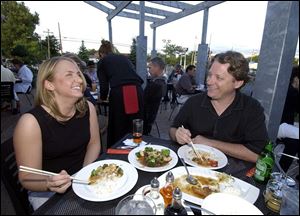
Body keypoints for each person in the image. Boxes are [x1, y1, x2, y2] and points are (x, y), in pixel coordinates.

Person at [13, 56, 101, 210]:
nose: (79, 80)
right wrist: (49, 182)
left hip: (82, 180)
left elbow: (94, 143)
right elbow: (26, 177)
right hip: (48, 193)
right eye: (69, 75)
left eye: (78, 74)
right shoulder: (30, 123)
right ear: (49, 84)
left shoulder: (88, 108)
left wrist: (84, 174)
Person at [169, 51, 269, 163]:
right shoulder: (193, 102)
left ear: (237, 83)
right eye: (210, 75)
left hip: (234, 174)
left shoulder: (252, 108)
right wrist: (177, 134)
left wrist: (211, 143)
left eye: (219, 78)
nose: (209, 81)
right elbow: (173, 129)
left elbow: (257, 155)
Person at [97, 39, 144, 147]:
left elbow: (103, 85)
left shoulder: (103, 62)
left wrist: (102, 98)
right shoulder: (123, 58)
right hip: (137, 90)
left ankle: (117, 152)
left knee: (118, 125)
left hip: (121, 92)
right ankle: (136, 150)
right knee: (134, 125)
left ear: (101, 54)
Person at [278, 66, 299, 172]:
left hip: (283, 125)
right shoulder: (292, 92)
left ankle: (280, 170)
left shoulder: (288, 90)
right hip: (279, 126)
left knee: (294, 143)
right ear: (296, 78)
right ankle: (281, 170)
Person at [144, 57, 167, 135]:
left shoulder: (155, 84)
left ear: (157, 67)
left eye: (150, 67)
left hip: (145, 119)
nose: (148, 70)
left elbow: (142, 101)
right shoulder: (162, 82)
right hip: (151, 117)